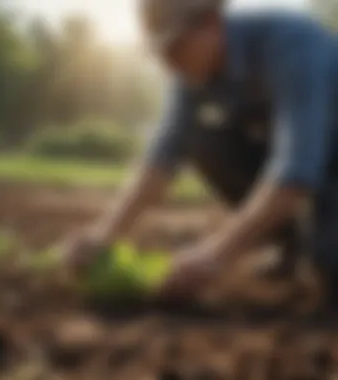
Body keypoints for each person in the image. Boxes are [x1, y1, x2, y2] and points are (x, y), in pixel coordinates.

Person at [63, 0, 338, 303]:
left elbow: (295, 171)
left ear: (211, 22)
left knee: (330, 267)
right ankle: (292, 245)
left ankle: (318, 245)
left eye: (174, 47)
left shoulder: (291, 43)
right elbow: (161, 158)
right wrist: (103, 235)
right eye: (158, 54)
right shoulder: (191, 72)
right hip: (308, 158)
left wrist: (213, 256)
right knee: (202, 140)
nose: (167, 64)